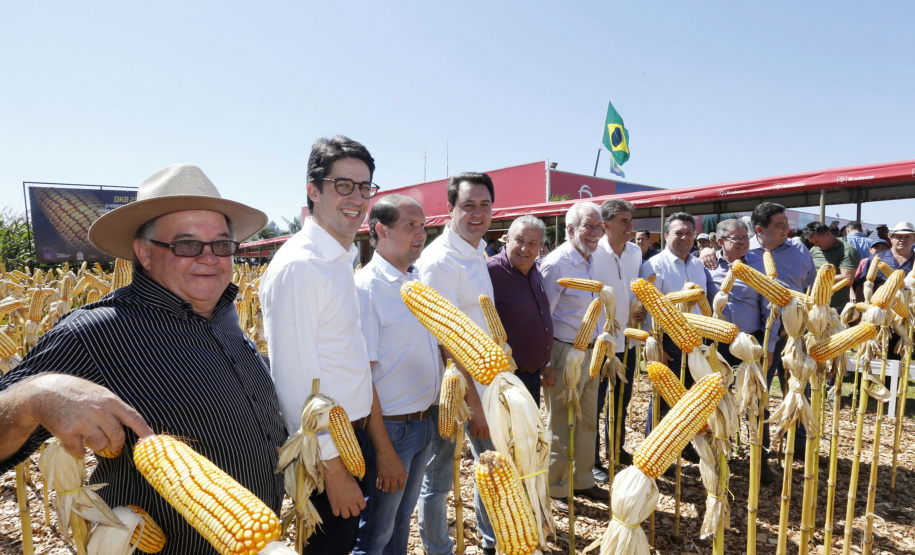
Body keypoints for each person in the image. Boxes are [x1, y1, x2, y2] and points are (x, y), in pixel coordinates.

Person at [0, 163, 287, 555]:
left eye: (222, 244)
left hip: (258, 539)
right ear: (144, 253)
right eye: (186, 244)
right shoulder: (95, 332)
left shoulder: (225, 314)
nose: (210, 258)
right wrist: (35, 395)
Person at [260, 136, 381, 554]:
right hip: (327, 452)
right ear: (313, 191)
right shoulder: (302, 265)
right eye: (343, 185)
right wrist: (334, 473)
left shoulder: (336, 259)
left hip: (349, 439)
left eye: (365, 187)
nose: (358, 198)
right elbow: (295, 384)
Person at [353, 195, 440, 555]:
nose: (421, 234)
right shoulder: (368, 288)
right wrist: (384, 450)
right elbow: (363, 377)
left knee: (400, 523)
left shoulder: (416, 279)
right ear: (380, 230)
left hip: (423, 424)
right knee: (375, 533)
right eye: (410, 226)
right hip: (391, 429)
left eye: (423, 227)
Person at [416, 172, 497, 555]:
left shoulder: (476, 251)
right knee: (438, 478)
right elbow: (444, 338)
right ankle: (438, 548)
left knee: (491, 466)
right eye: (468, 205)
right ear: (450, 210)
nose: (477, 213)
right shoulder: (441, 261)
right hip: (450, 391)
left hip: (483, 382)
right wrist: (475, 404)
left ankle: (492, 539)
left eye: (484, 205)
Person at [540, 201, 609, 514]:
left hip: (591, 349)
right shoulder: (556, 264)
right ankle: (555, 486)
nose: (595, 233)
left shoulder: (590, 259)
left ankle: (582, 479)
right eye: (588, 226)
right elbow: (545, 316)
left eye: (599, 226)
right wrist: (546, 362)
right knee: (561, 421)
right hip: (564, 350)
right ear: (570, 230)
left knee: (586, 419)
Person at [707, 218, 776, 484]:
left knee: (756, 402)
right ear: (721, 241)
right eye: (737, 238)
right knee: (717, 400)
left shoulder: (758, 267)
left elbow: (771, 309)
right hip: (718, 344)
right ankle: (717, 454)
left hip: (751, 343)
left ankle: (760, 460)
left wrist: (768, 347)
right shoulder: (706, 265)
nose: (744, 242)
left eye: (746, 238)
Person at [639, 212, 716, 438]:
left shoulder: (697, 265)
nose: (684, 237)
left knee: (689, 399)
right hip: (667, 343)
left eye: (688, 233)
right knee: (664, 401)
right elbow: (644, 308)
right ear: (665, 236)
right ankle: (655, 445)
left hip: (696, 341)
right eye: (678, 233)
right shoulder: (653, 265)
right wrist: (655, 348)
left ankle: (683, 444)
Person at [591, 199, 644, 474]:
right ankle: (592, 462)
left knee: (620, 401)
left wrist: (640, 307)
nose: (630, 227)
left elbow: (635, 290)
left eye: (630, 221)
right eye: (623, 221)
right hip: (601, 342)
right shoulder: (593, 253)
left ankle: (616, 450)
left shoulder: (635, 252)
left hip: (629, 340)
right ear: (606, 225)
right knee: (596, 404)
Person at [486, 215, 554, 405]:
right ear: (507, 240)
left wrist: (545, 364)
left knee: (529, 435)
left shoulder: (535, 271)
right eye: (519, 240)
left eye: (533, 243)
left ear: (540, 247)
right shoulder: (490, 272)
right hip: (506, 380)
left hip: (532, 377)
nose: (525, 249)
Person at [808, 223, 860, 308]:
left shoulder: (847, 251)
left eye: (817, 241)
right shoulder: (814, 250)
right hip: (813, 304)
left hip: (835, 307)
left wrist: (816, 280)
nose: (815, 245)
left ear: (828, 234)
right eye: (813, 242)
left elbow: (847, 279)